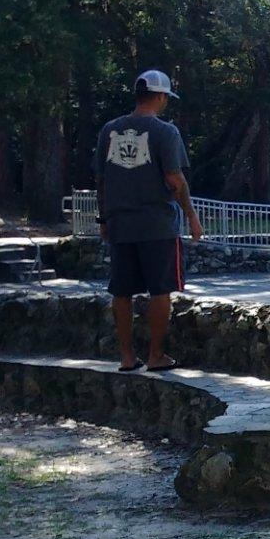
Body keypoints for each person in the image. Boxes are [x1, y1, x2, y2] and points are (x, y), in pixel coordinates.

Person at [94, 70, 203, 371]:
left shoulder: (109, 131)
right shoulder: (165, 132)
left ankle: (127, 356)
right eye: (166, 96)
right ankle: (156, 355)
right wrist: (191, 216)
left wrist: (104, 218)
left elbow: (101, 179)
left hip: (120, 225)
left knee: (122, 291)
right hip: (157, 225)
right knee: (160, 289)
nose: (166, 101)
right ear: (158, 96)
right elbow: (175, 178)